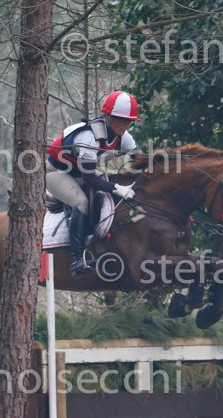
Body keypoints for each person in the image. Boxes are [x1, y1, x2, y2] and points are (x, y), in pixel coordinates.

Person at [46, 91, 140, 278]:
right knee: (81, 202)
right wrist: (116, 188)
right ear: (107, 116)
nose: (125, 124)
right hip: (55, 172)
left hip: (79, 172)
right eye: (120, 119)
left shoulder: (124, 136)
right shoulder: (89, 136)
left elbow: (138, 159)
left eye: (129, 121)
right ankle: (76, 261)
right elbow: (90, 179)